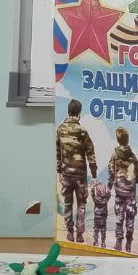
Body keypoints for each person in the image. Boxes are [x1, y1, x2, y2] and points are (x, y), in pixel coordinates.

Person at [55, 98, 97, 243]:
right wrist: (94, 174)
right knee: (81, 204)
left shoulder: (60, 129)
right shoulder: (82, 131)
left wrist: (59, 172)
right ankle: (79, 234)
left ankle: (69, 233)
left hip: (66, 174)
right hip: (80, 175)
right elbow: (91, 154)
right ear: (79, 113)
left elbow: (58, 152)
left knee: (67, 203)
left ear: (68, 112)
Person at [108, 127, 138, 252]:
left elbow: (111, 171)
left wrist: (111, 185)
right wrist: (133, 182)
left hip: (119, 192)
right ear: (127, 140)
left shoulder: (114, 155)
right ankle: (128, 244)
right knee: (130, 218)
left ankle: (118, 242)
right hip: (130, 193)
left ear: (118, 140)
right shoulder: (133, 156)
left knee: (119, 218)